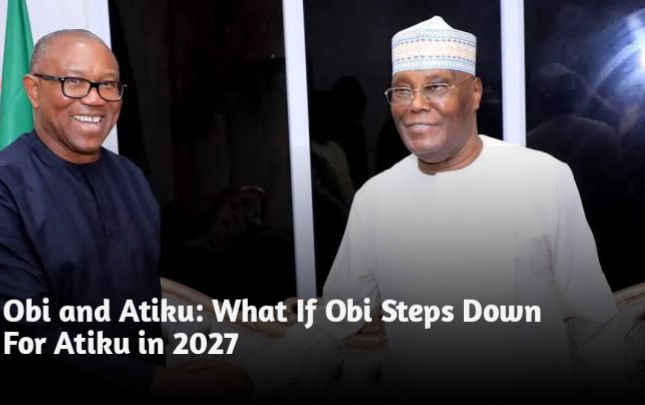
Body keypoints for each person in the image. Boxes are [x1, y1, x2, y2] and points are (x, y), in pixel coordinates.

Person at [235, 16, 630, 403]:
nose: (416, 105)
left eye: (436, 86)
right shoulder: (376, 200)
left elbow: (592, 322)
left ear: (475, 93)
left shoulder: (543, 180)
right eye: (402, 90)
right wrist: (247, 376)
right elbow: (332, 322)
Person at [0, 29, 252, 404]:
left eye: (108, 84)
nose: (95, 99)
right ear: (34, 90)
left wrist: (179, 374)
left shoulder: (131, 178)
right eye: (74, 82)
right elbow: (23, 331)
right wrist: (159, 382)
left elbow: (139, 306)